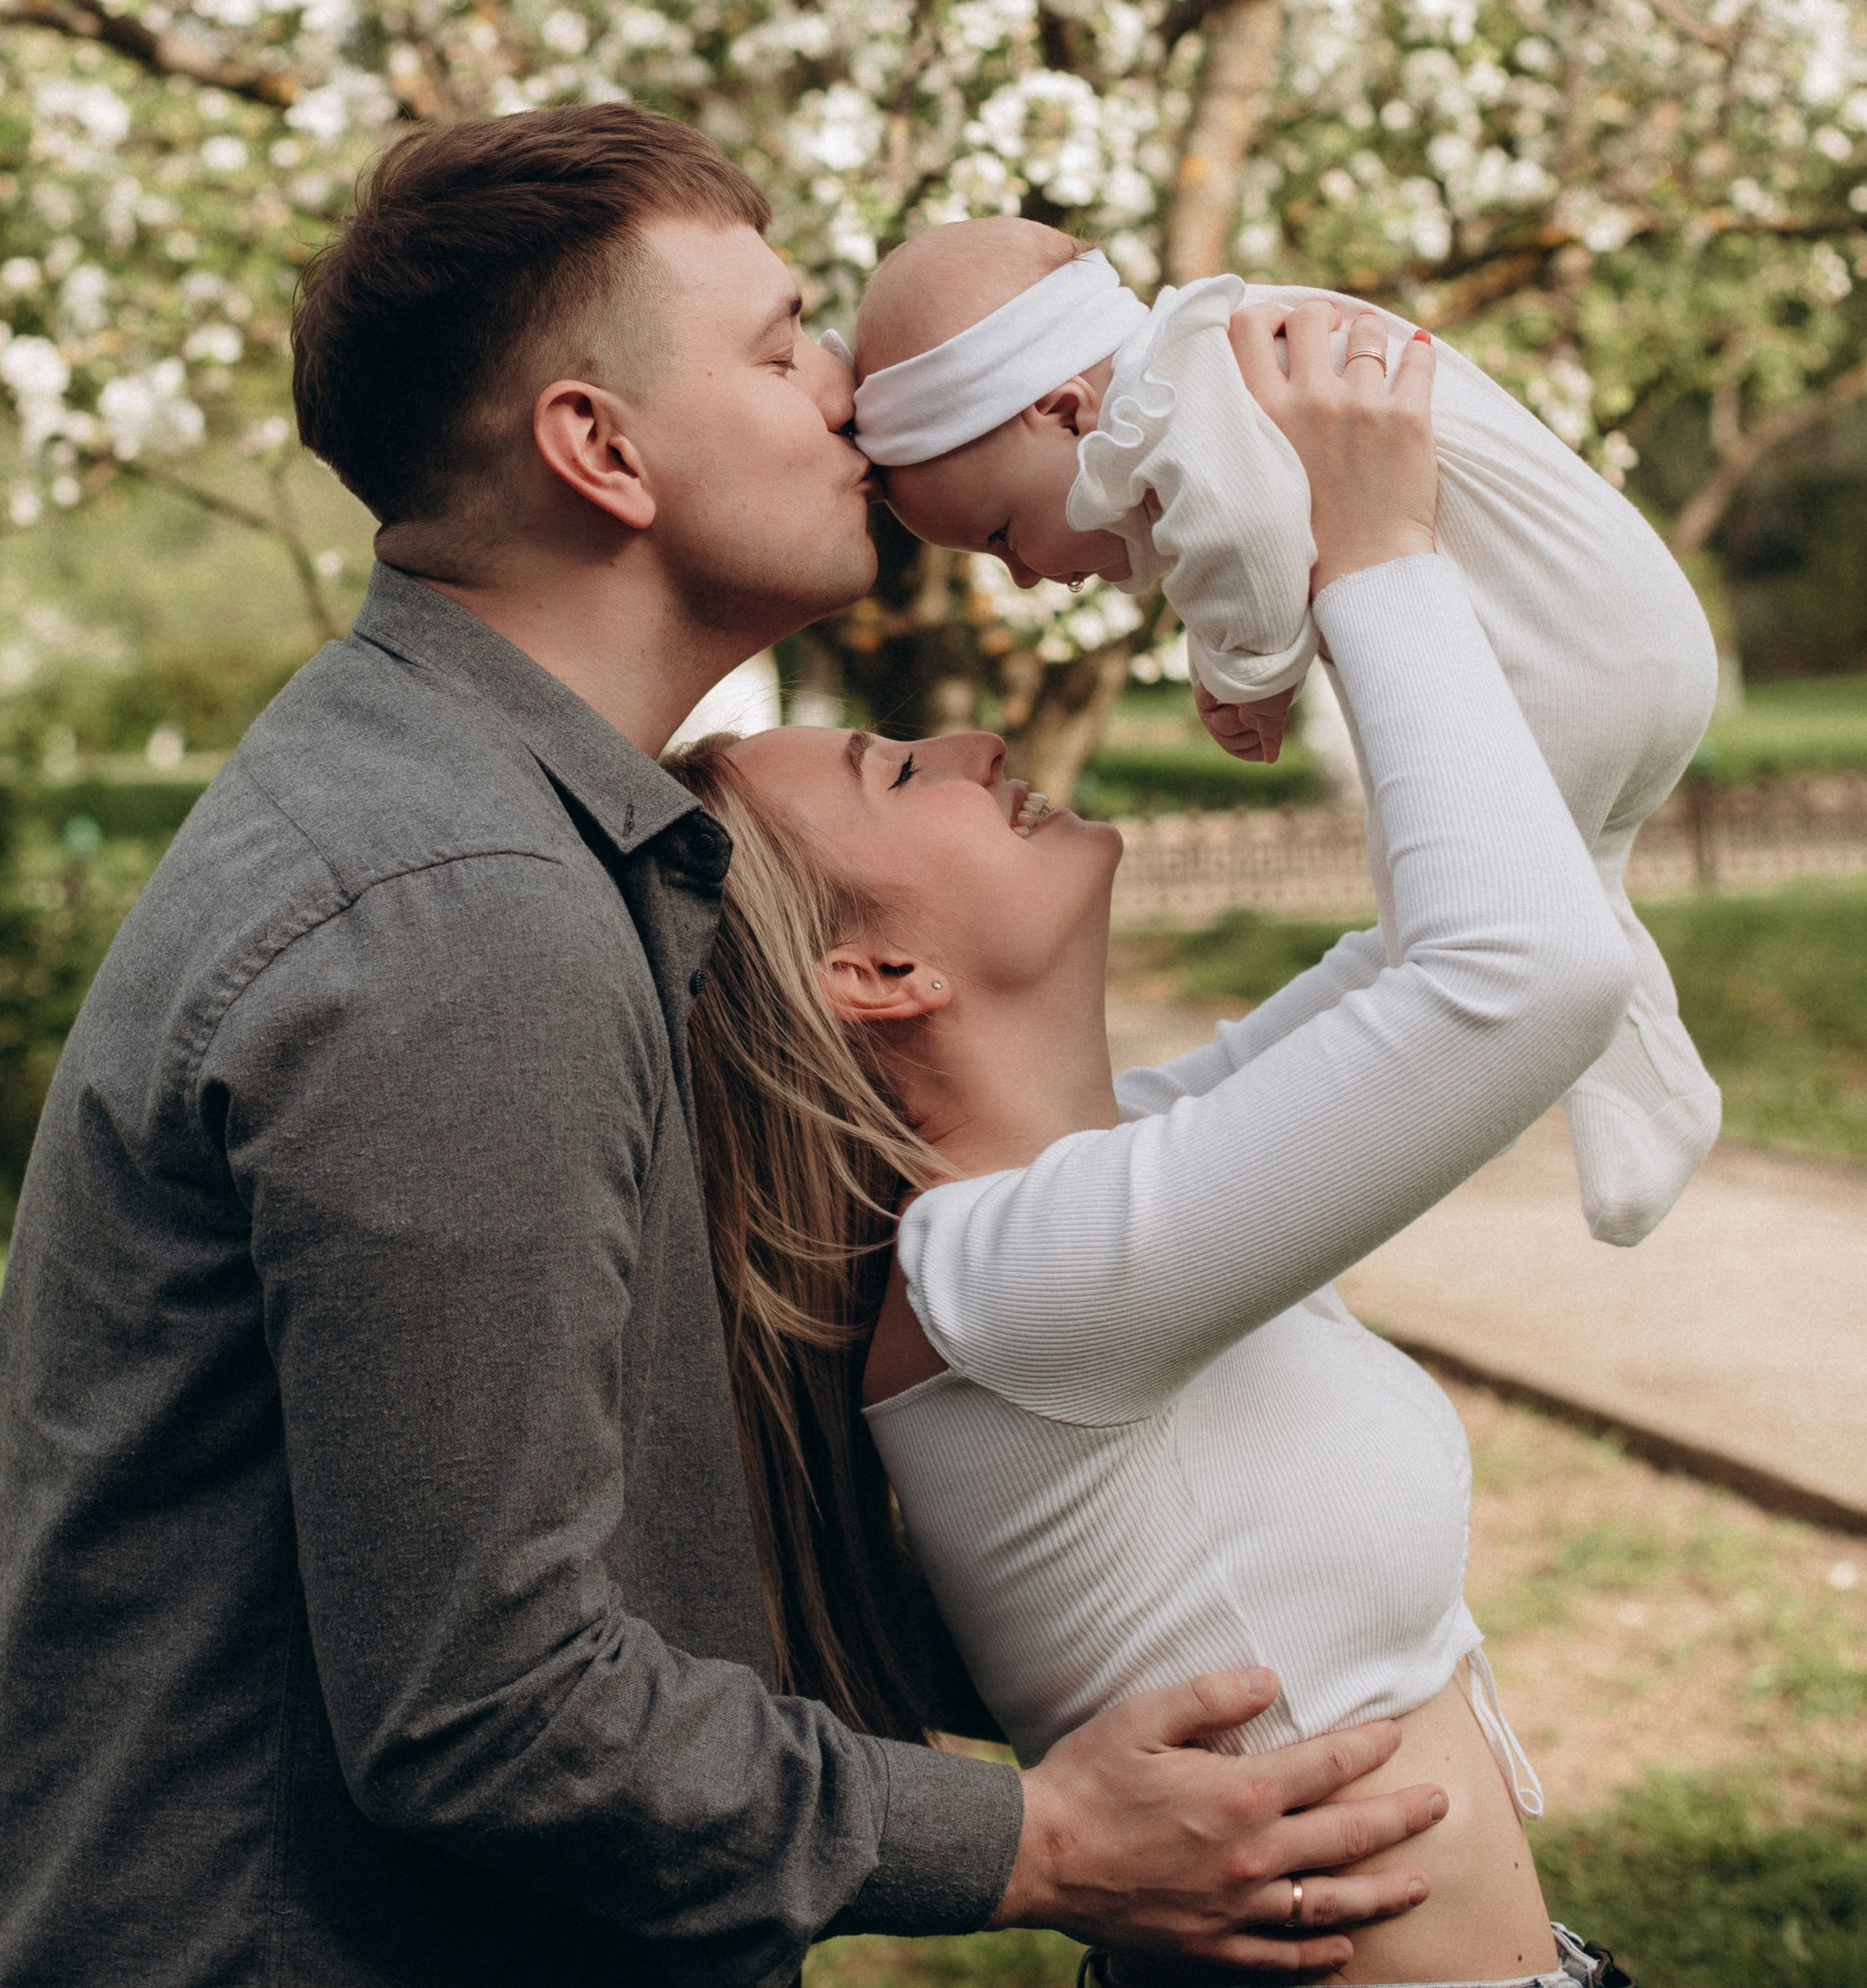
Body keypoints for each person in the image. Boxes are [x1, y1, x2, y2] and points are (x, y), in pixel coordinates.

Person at [0, 107, 1451, 1988]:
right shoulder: (454, 914)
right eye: (783, 342)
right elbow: (484, 1702)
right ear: (598, 449)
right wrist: (1039, 1841)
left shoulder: (520, 833)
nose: (853, 395)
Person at [675, 299, 1642, 1988]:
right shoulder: (1005, 1285)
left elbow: (1508, 902)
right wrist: (1365, 556)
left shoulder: (1107, 1182)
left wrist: (1296, 527)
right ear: (875, 974)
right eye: (904, 770)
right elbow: (1524, 976)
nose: (978, 742)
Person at [839, 218, 1720, 1249]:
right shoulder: (1238, 342)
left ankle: (1583, 1095)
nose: (1025, 574)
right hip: (1624, 647)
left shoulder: (1189, 393)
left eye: (1000, 536)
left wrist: (1243, 669)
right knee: (1570, 886)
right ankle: (1652, 1097)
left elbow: (1248, 536)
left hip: (1565, 668)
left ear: (1064, 410)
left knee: (1450, 907)